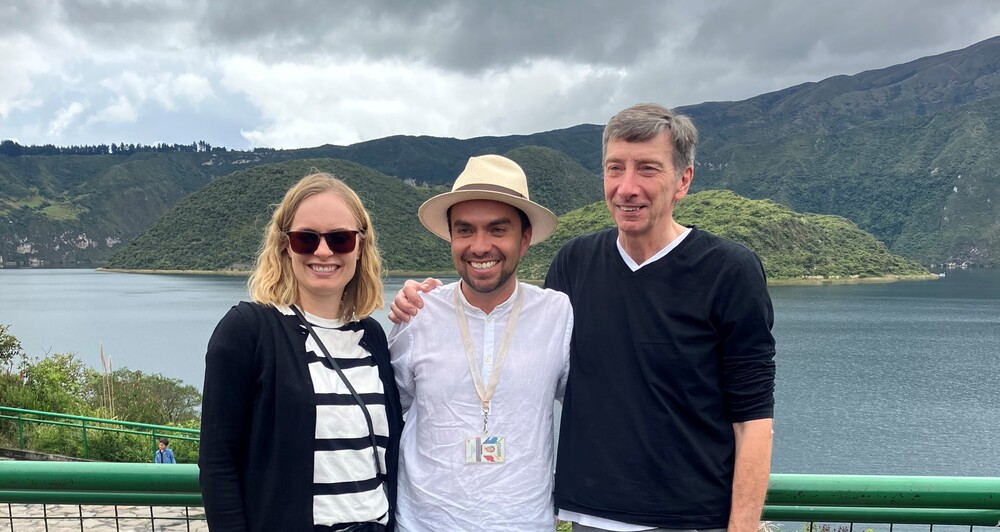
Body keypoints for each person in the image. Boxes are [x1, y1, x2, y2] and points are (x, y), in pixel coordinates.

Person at [390, 104, 776, 532]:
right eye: (615, 168)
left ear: (683, 179)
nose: (627, 187)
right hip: (590, 515)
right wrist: (416, 303)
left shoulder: (729, 270)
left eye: (647, 168)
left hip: (692, 518)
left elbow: (754, 414)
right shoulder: (575, 264)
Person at [199, 172, 403, 532]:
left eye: (340, 239)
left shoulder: (371, 335)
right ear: (284, 246)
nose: (323, 251)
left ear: (360, 247)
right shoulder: (246, 331)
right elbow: (218, 463)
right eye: (305, 239)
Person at [388, 154, 573, 531]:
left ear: (525, 239)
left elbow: (592, 409)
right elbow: (385, 411)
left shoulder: (558, 314)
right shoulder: (418, 313)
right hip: (424, 523)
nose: (480, 246)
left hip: (525, 522)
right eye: (465, 230)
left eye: (497, 229)